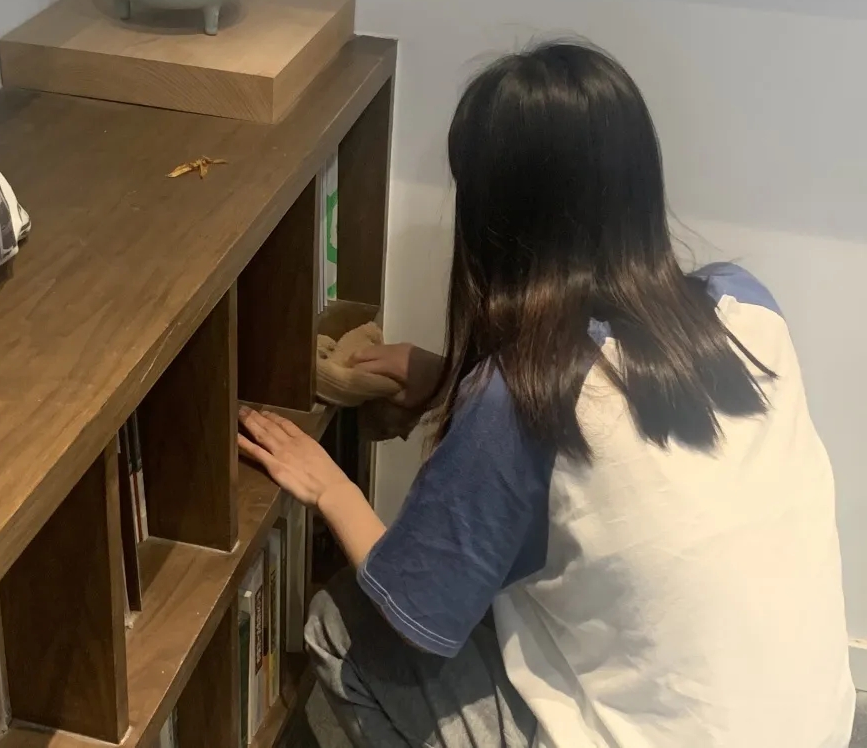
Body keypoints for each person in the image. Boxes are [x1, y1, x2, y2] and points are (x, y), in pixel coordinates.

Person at [237, 42, 855, 748]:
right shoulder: (746, 308)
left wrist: (331, 487)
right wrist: (449, 381)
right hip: (817, 727)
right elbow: (622, 428)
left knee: (342, 624)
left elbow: (412, 604)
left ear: (495, 219)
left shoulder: (518, 404)